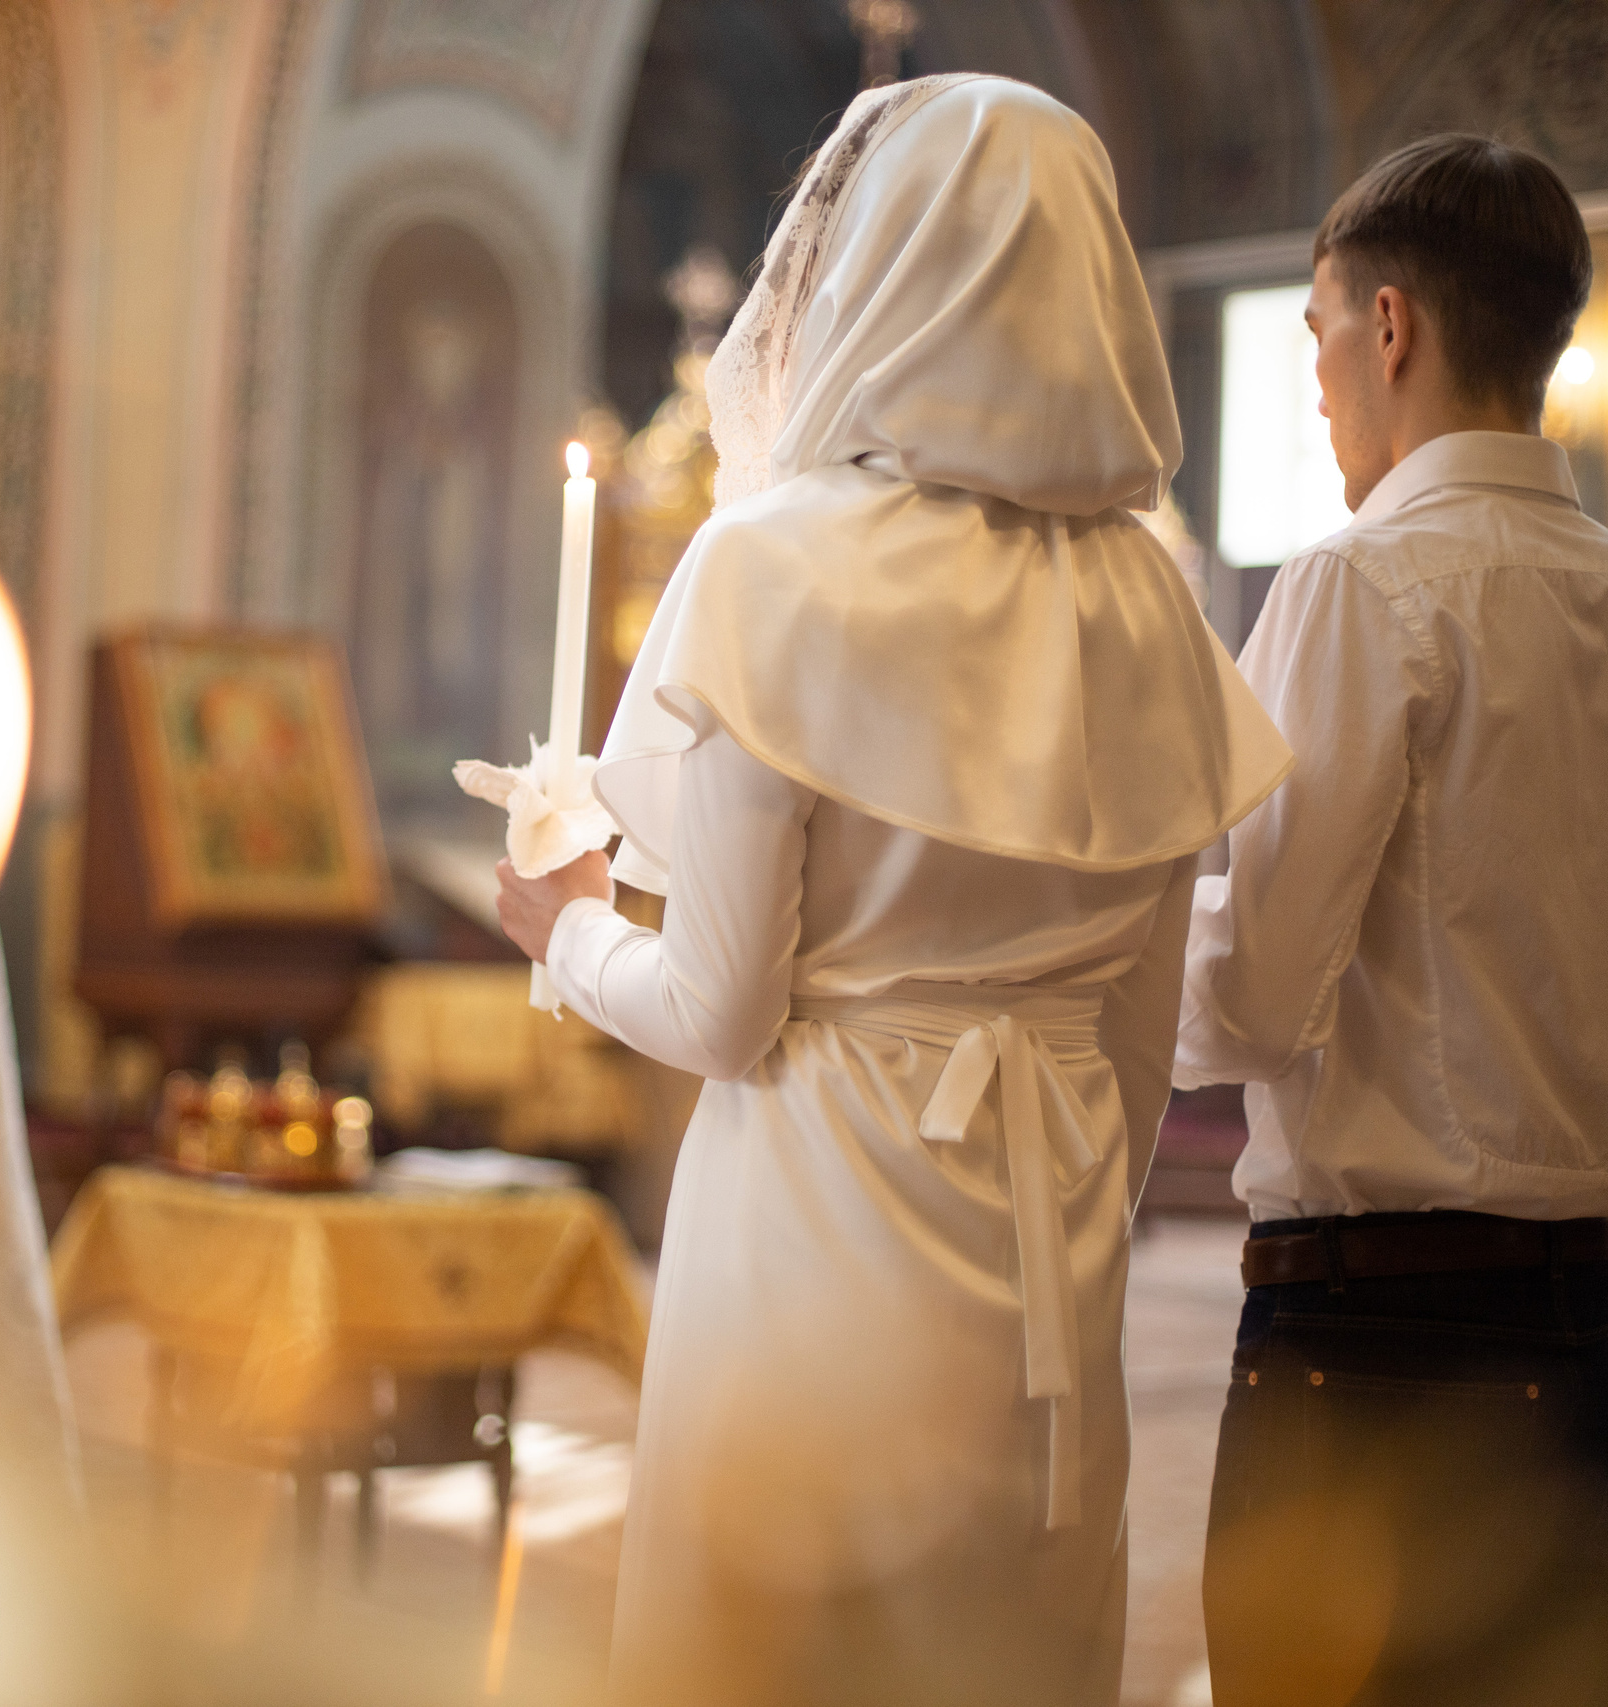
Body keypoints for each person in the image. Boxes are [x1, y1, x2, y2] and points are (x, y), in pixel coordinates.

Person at [493, 77, 1291, 1706]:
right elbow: (1136, 1051)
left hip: (806, 1244)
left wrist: (568, 927)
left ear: (870, 269)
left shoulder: (773, 563)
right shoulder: (1152, 600)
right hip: (1045, 1283)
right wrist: (1052, 1209)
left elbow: (720, 1009)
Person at [1176, 134, 1608, 1707]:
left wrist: (1072, 973)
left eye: (1318, 341)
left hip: (1364, 1346)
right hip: (1575, 1341)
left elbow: (1259, 997)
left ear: (1394, 326)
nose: (1322, 386)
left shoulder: (1363, 586)